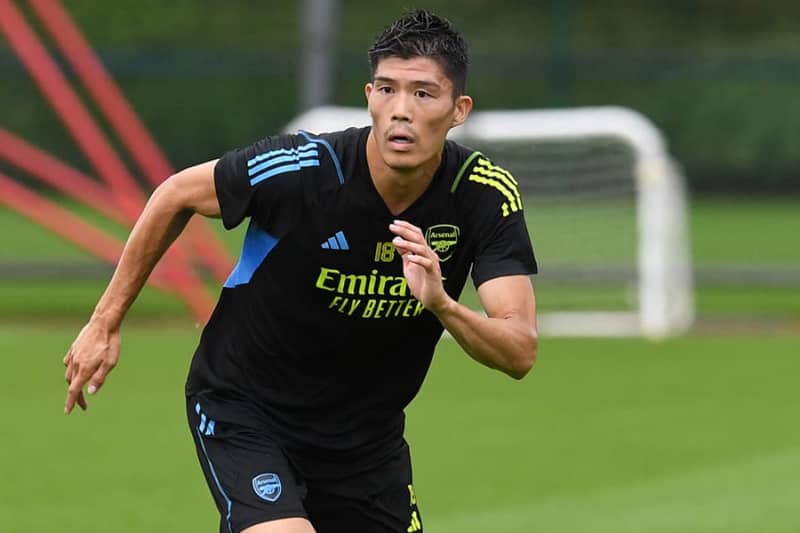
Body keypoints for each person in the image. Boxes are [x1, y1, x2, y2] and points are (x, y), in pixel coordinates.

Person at [62, 9, 538, 533]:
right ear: (369, 96)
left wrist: (442, 304)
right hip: (246, 408)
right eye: (387, 89)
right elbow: (176, 194)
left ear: (458, 109)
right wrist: (104, 323)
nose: (401, 110)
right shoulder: (305, 168)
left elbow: (519, 351)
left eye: (423, 94)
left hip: (366, 443)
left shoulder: (482, 195)